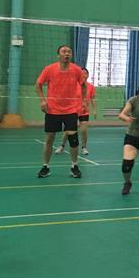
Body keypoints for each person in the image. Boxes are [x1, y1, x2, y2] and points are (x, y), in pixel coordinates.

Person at [35, 45, 87, 179]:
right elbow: (38, 85)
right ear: (58, 55)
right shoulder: (49, 69)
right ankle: (45, 166)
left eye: (69, 52)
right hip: (52, 109)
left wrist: (83, 102)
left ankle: (74, 166)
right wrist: (42, 101)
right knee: (49, 138)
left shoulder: (76, 70)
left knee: (73, 139)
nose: (67, 54)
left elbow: (83, 86)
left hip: (71, 109)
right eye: (64, 51)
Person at [57, 67, 96, 156]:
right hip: (73, 111)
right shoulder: (74, 85)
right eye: (82, 73)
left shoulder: (91, 86)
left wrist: (94, 110)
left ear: (88, 75)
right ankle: (62, 146)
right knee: (68, 130)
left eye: (85, 73)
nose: (83, 75)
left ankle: (84, 147)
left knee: (84, 130)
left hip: (84, 112)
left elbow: (93, 99)